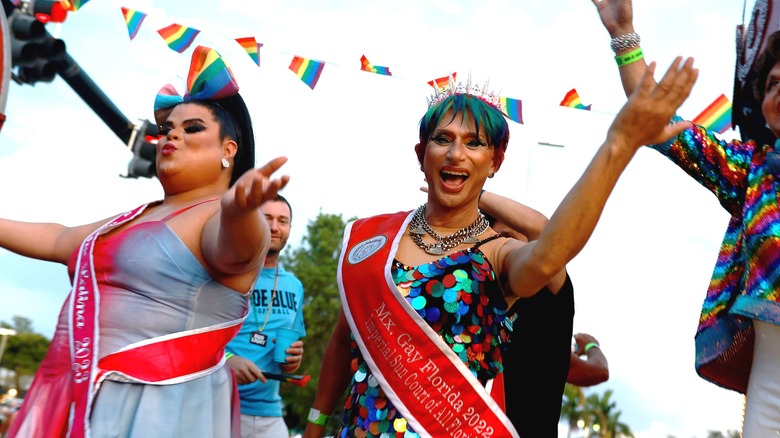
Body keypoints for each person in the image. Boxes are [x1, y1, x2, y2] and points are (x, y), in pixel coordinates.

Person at [303, 62, 697, 438]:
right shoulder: (374, 239)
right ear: (421, 153)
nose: (456, 154)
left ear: (495, 162)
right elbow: (343, 338)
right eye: (443, 139)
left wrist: (620, 144)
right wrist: (316, 424)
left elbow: (547, 255)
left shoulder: (497, 253)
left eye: (474, 144)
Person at [1, 45, 289, 438]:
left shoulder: (224, 216)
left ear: (228, 151)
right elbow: (59, 238)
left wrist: (242, 213)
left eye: (192, 129)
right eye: (168, 129)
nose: (173, 135)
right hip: (85, 396)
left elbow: (237, 250)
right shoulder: (137, 216)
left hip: (159, 409)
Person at [590, 0, 780, 434]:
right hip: (771, 378)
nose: (778, 90)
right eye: (772, 83)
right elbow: (661, 125)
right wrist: (624, 35)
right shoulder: (752, 171)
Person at [480, 191, 607, 434]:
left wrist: (591, 345)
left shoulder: (547, 296)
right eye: (503, 240)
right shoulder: (470, 304)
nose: (513, 250)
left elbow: (541, 229)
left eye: (521, 241)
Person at [225, 195, 306, 438]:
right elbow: (192, 334)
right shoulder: (226, 273)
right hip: (220, 403)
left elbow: (290, 348)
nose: (274, 227)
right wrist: (227, 359)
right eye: (267, 218)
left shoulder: (295, 286)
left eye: (282, 221)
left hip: (270, 415)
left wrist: (293, 359)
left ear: (290, 228)